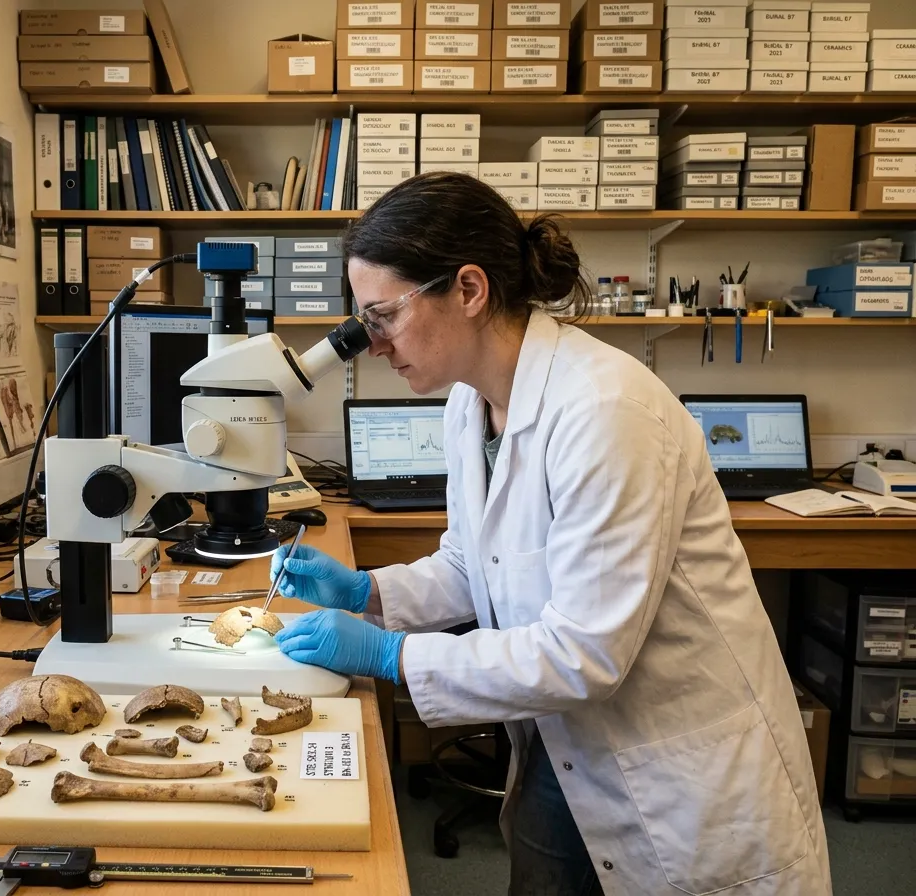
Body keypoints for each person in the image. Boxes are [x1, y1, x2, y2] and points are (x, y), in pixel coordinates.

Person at [271, 172, 832, 896]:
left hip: (676, 774)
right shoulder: (469, 404)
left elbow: (586, 653)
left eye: (383, 318)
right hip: (560, 751)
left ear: (468, 290)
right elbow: (478, 564)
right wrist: (369, 591)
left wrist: (393, 656)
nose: (372, 345)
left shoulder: (606, 409)